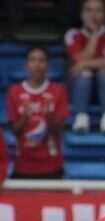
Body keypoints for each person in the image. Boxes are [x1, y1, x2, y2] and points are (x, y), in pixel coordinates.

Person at [6, 46, 70, 180]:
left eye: (42, 60)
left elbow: (59, 130)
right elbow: (14, 130)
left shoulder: (58, 90)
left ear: (48, 65)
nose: (37, 64)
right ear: (26, 65)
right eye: (33, 60)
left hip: (51, 166)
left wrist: (49, 116)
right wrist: (25, 117)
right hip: (23, 166)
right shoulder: (14, 91)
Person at [65, 0, 105, 133]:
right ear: (81, 14)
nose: (94, 14)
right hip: (80, 88)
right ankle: (81, 119)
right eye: (89, 10)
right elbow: (80, 58)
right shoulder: (72, 34)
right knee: (84, 74)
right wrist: (94, 34)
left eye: (98, 10)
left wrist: (82, 65)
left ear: (104, 14)